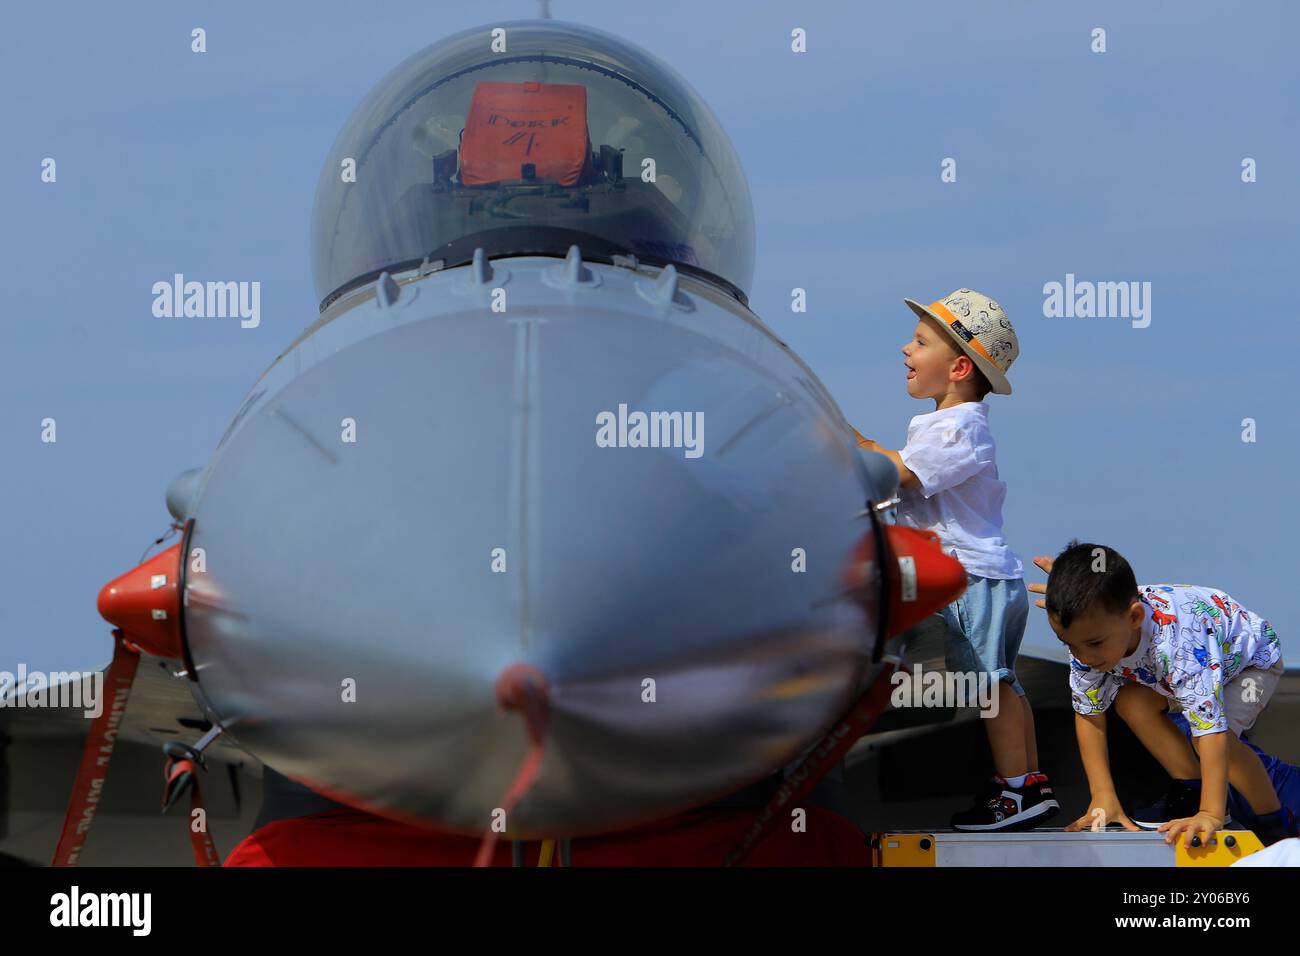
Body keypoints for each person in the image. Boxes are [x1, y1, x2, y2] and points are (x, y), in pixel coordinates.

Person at [854, 288, 1057, 830]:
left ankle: (1016, 792)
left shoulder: (960, 426)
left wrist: (843, 443)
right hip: (986, 577)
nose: (905, 350)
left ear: (960, 366)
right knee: (1002, 683)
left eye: (920, 342)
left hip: (973, 579)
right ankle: (1028, 784)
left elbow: (902, 475)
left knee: (988, 686)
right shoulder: (945, 426)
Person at [1031, 541, 1297, 847]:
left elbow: (1212, 731)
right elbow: (1089, 714)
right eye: (1069, 644)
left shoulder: (1177, 645)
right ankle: (1192, 786)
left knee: (1215, 739)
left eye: (1093, 644)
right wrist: (1103, 795)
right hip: (1179, 671)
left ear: (1133, 618)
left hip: (1248, 663)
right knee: (1131, 702)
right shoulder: (1092, 636)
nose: (1084, 656)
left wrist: (1210, 814)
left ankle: (1275, 823)